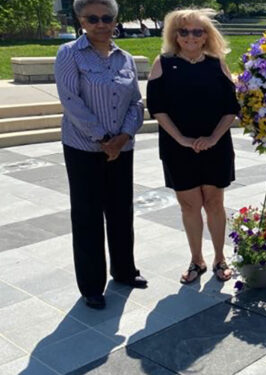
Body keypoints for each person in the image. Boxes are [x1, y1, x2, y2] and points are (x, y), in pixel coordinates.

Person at [54, 0, 147, 310]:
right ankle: (92, 285)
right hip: (84, 149)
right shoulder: (69, 55)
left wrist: (122, 138)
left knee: (122, 211)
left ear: (115, 20)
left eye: (106, 17)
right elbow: (71, 101)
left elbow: (136, 102)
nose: (100, 23)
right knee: (87, 216)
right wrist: (103, 139)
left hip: (121, 148)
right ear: (80, 20)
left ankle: (124, 271)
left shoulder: (126, 58)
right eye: (92, 18)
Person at [147, 8, 239, 284]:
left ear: (206, 35)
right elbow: (157, 108)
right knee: (189, 205)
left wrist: (212, 138)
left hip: (216, 145)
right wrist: (182, 140)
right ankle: (196, 259)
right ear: (174, 34)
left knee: (214, 202)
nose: (190, 36)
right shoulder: (163, 63)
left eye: (197, 31)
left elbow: (231, 108)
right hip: (178, 147)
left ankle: (219, 258)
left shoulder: (216, 63)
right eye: (183, 31)